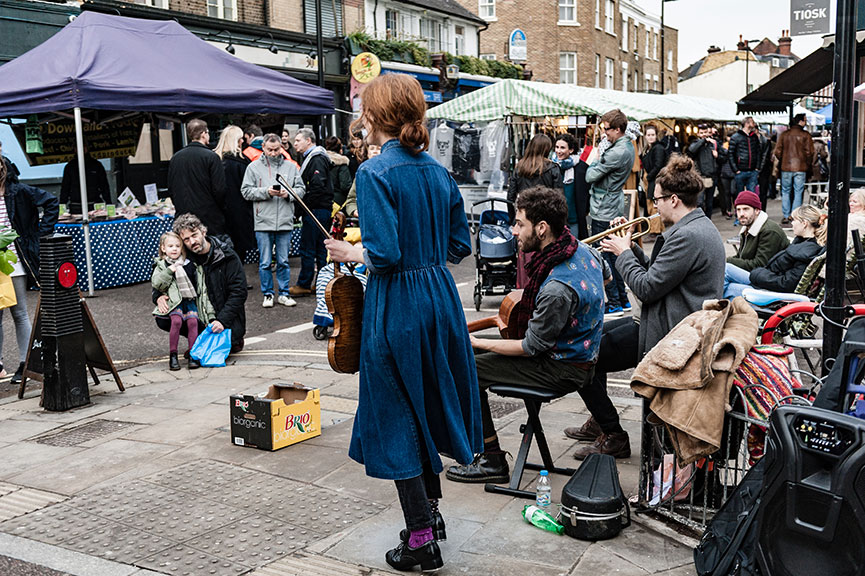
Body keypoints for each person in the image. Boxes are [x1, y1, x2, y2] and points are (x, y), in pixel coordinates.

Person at [324, 74, 479, 573]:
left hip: (398, 302)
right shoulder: (436, 171)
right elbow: (461, 245)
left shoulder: (374, 173)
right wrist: (426, 257)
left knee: (395, 416)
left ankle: (419, 540)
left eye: (364, 110)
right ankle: (429, 519)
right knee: (425, 406)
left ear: (375, 116)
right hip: (439, 297)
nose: (361, 118)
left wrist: (351, 250)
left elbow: (385, 255)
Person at [565, 154, 726, 458]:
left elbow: (647, 288)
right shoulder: (694, 228)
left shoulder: (688, 236)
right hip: (663, 323)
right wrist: (633, 246)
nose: (655, 207)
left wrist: (623, 253)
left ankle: (611, 432)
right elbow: (660, 273)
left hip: (669, 334)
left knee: (582, 355)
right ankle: (602, 422)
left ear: (674, 199)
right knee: (589, 342)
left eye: (657, 200)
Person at [446, 184, 608, 479]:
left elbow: (531, 347)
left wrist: (478, 341)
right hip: (574, 356)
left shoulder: (557, 288)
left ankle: (492, 459)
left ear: (542, 228)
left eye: (520, 223)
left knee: (463, 367)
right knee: (465, 351)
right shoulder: (584, 251)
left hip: (563, 368)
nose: (513, 230)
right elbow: (605, 278)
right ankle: (464, 440)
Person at [0, 160, 57, 382]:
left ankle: (26, 363)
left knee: (19, 312)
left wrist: (41, 234)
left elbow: (51, 201)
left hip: (14, 260)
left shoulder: (19, 191)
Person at [163, 213, 247, 354]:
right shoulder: (184, 259)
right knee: (163, 316)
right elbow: (161, 274)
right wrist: (158, 296)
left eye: (194, 235)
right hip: (201, 314)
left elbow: (239, 291)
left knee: (225, 349)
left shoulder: (226, 255)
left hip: (223, 316)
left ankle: (230, 338)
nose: (192, 242)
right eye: (187, 239)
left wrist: (222, 321)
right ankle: (197, 339)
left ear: (203, 231)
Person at [241, 133, 305, 309]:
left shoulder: (291, 167)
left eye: (277, 149)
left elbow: (301, 189)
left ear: (282, 147)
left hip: (284, 219)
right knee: (265, 261)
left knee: (284, 260)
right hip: (263, 219)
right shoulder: (253, 167)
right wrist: (266, 192)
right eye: (270, 149)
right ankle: (268, 293)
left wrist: (289, 194)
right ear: (263, 147)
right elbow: (245, 191)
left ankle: (284, 293)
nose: (274, 153)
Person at [586, 109, 636, 317]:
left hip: (604, 207)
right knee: (612, 255)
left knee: (605, 255)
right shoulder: (625, 145)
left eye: (607, 129)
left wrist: (598, 156)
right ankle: (622, 300)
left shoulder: (617, 151)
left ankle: (614, 301)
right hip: (610, 203)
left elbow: (589, 175)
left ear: (617, 129)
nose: (604, 133)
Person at [724, 204, 826, 298]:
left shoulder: (805, 251)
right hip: (768, 282)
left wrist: (758, 274)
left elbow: (786, 284)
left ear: (804, 224)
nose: (792, 224)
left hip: (773, 293)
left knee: (726, 282)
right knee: (725, 274)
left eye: (794, 220)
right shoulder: (804, 244)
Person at [151, 231, 215, 370]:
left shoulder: (190, 264)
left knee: (193, 322)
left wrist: (209, 314)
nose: (174, 249)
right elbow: (156, 283)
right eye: (170, 246)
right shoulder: (161, 265)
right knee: (177, 321)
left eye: (177, 246)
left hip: (190, 300)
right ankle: (173, 356)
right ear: (163, 248)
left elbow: (200, 288)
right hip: (174, 301)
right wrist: (170, 270)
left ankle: (193, 354)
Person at [290, 128, 334, 297]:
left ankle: (305, 283)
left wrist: (303, 204)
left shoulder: (316, 159)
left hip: (315, 209)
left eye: (298, 140)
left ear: (309, 141)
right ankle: (322, 282)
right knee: (320, 248)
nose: (295, 144)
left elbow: (317, 185)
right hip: (320, 208)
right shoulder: (315, 157)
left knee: (309, 248)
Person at [167, 119, 227, 240]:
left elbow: (171, 188)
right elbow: (220, 189)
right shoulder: (211, 157)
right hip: (209, 217)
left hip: (183, 216)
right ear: (204, 134)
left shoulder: (176, 158)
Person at [214, 126, 255, 262]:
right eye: (241, 138)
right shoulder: (242, 162)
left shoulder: (216, 160)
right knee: (239, 253)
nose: (243, 141)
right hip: (240, 213)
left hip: (220, 213)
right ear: (236, 140)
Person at [726, 190, 789, 272]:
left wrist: (728, 261)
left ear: (757, 210)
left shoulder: (769, 231)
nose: (741, 214)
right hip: (755, 275)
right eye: (738, 210)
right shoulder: (747, 228)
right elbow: (741, 257)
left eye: (746, 209)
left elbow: (760, 264)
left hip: (769, 278)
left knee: (725, 273)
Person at [775, 113, 815, 224]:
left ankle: (786, 215)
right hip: (800, 167)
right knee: (798, 191)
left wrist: (784, 159)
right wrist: (807, 164)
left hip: (786, 167)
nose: (806, 122)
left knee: (785, 191)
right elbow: (809, 152)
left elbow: (778, 151)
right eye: (805, 120)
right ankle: (795, 215)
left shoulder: (784, 134)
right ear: (800, 121)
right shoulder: (805, 135)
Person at [59, 146, 112, 214]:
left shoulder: (96, 165)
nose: (81, 148)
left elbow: (104, 186)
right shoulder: (70, 166)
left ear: (87, 148)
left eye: (84, 146)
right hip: (76, 205)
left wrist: (109, 203)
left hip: (95, 204)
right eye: (77, 147)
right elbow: (65, 188)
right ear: (74, 149)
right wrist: (61, 206)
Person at [552, 133, 585, 238]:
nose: (558, 151)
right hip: (556, 217)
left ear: (571, 150)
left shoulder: (580, 167)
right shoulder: (552, 166)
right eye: (557, 147)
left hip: (573, 218)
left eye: (562, 147)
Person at [687, 124, 719, 218]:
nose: (704, 134)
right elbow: (691, 150)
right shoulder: (696, 143)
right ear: (698, 134)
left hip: (711, 176)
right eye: (702, 133)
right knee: (699, 202)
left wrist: (718, 155)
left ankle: (708, 220)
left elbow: (723, 156)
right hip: (700, 177)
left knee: (709, 203)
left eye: (705, 132)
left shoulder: (712, 144)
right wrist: (703, 141)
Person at [728, 116, 763, 195]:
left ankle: (751, 207)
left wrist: (757, 168)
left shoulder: (754, 137)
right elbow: (730, 154)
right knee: (739, 194)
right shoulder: (736, 137)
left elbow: (758, 152)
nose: (754, 123)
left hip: (752, 170)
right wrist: (736, 169)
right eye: (752, 122)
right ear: (747, 123)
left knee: (752, 194)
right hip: (740, 171)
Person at [324, 136, 353, 207]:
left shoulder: (322, 160)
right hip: (339, 201)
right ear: (340, 150)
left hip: (324, 199)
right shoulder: (342, 162)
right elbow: (345, 186)